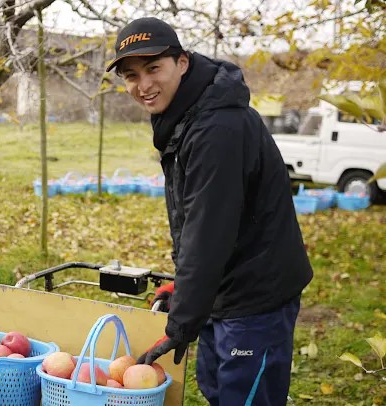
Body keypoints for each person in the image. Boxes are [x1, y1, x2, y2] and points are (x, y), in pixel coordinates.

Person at [106, 17, 313, 405]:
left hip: (255, 294)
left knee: (245, 397)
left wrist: (181, 322)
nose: (143, 85)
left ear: (182, 63)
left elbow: (207, 231)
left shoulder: (217, 127)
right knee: (218, 389)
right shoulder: (184, 115)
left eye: (153, 68)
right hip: (226, 286)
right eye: (131, 75)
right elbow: (197, 218)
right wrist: (185, 292)